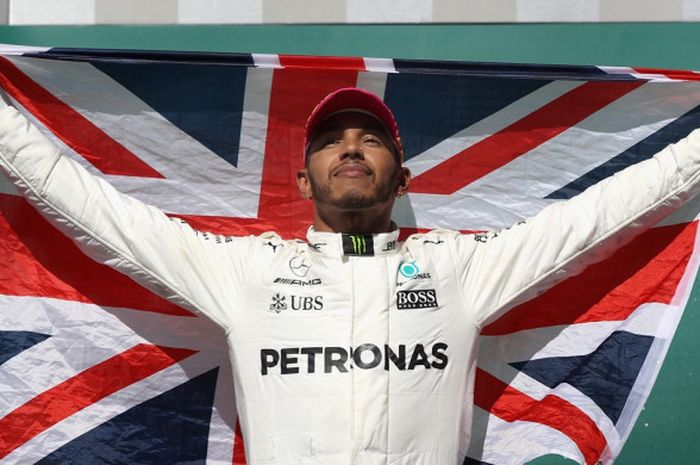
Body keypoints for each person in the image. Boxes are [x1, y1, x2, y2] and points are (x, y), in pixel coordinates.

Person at [1, 87, 700, 465]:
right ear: (302, 179)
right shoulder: (245, 272)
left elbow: (608, 210)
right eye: (333, 140)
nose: (352, 147)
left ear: (403, 178)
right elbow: (88, 205)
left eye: (370, 138)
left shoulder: (462, 268)